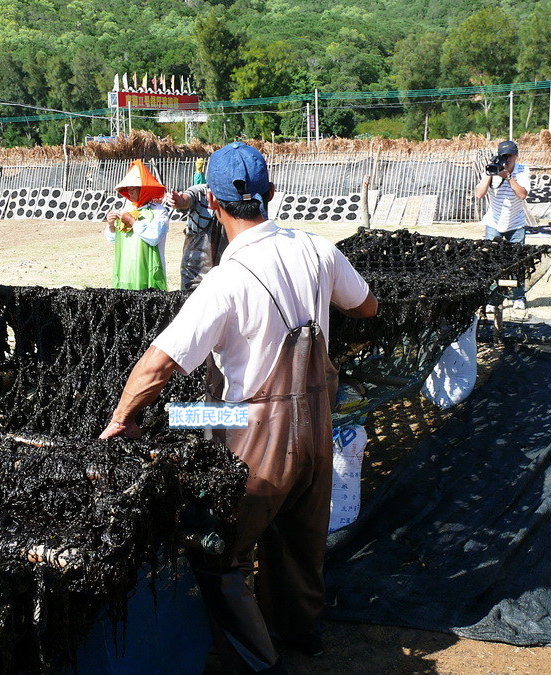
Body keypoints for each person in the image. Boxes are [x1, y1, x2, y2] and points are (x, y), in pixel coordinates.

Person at [100, 142, 378, 673]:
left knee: (218, 554)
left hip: (247, 427)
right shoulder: (316, 250)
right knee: (300, 539)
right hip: (317, 427)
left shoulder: (225, 281)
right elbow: (366, 305)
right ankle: (303, 634)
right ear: (271, 194)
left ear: (211, 200)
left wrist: (122, 419)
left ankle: (258, 662)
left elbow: (157, 366)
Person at [475, 139, 531, 311]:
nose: (506, 160)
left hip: (515, 224)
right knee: (492, 263)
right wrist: (490, 174)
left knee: (517, 262)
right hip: (494, 223)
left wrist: (508, 177)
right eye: (503, 156)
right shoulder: (493, 168)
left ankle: (518, 297)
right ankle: (492, 300)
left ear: (516, 155)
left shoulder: (523, 170)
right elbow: (479, 194)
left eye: (509, 156)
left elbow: (522, 194)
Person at [104, 159, 170, 290]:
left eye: (133, 189)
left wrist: (132, 221)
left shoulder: (159, 211)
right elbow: (115, 240)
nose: (130, 193)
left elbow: (155, 237)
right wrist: (111, 226)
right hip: (126, 272)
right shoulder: (127, 209)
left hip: (147, 271)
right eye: (128, 190)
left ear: (144, 189)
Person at [165, 182, 228, 291]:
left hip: (224, 269)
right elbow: (186, 199)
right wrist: (178, 201)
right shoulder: (200, 192)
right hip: (194, 271)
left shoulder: (235, 197)